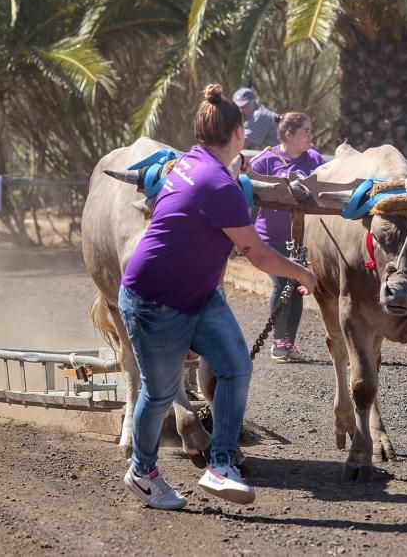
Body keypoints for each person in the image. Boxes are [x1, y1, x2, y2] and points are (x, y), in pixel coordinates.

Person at [118, 84, 317, 510]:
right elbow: (259, 256)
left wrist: (236, 172)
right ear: (239, 133)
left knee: (234, 365)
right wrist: (302, 272)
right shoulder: (219, 185)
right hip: (153, 300)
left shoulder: (190, 163)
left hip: (198, 294)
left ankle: (221, 463)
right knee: (158, 392)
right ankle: (142, 472)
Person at [250, 112, 326, 363]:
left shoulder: (315, 160)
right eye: (305, 131)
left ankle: (289, 343)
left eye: (310, 131)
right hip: (270, 238)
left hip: (301, 239)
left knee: (295, 287)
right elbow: (247, 193)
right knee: (282, 283)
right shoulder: (265, 161)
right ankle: (278, 342)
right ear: (288, 135)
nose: (310, 136)